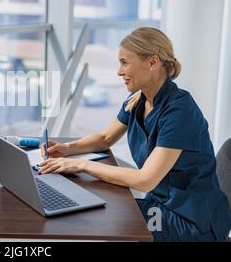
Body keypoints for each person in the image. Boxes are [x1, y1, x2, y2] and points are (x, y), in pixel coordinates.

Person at [38, 27, 231, 242]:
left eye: (124, 62)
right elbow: (105, 138)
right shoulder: (138, 99)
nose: (119, 72)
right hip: (160, 206)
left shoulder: (180, 111)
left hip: (191, 221)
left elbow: (146, 180)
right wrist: (67, 149)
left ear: (152, 62)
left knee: (104, 217)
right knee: (100, 210)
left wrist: (81, 165)